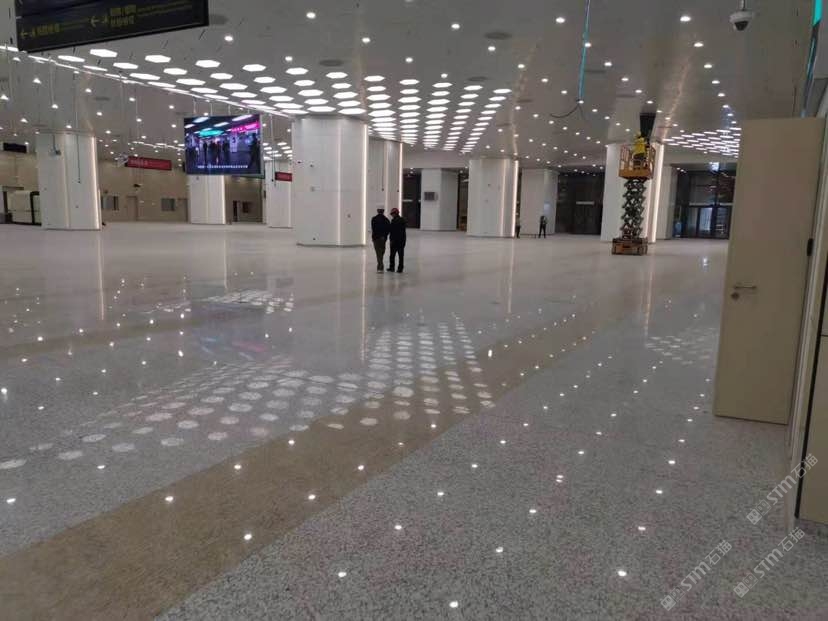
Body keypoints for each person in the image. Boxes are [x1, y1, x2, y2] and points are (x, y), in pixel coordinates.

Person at [370, 208, 390, 272]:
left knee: (378, 252)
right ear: (383, 211)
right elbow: (388, 229)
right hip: (382, 238)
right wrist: (384, 236)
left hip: (376, 238)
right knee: (381, 252)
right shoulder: (386, 220)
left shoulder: (374, 219)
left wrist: (374, 237)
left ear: (377, 211)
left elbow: (373, 229)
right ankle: (380, 267)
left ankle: (380, 267)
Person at [388, 207, 407, 273]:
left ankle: (392, 267)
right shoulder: (402, 220)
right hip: (401, 241)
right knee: (400, 256)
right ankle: (400, 269)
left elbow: (392, 231)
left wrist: (391, 240)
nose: (392, 215)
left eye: (392, 214)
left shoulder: (394, 221)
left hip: (395, 241)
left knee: (392, 256)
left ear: (395, 213)